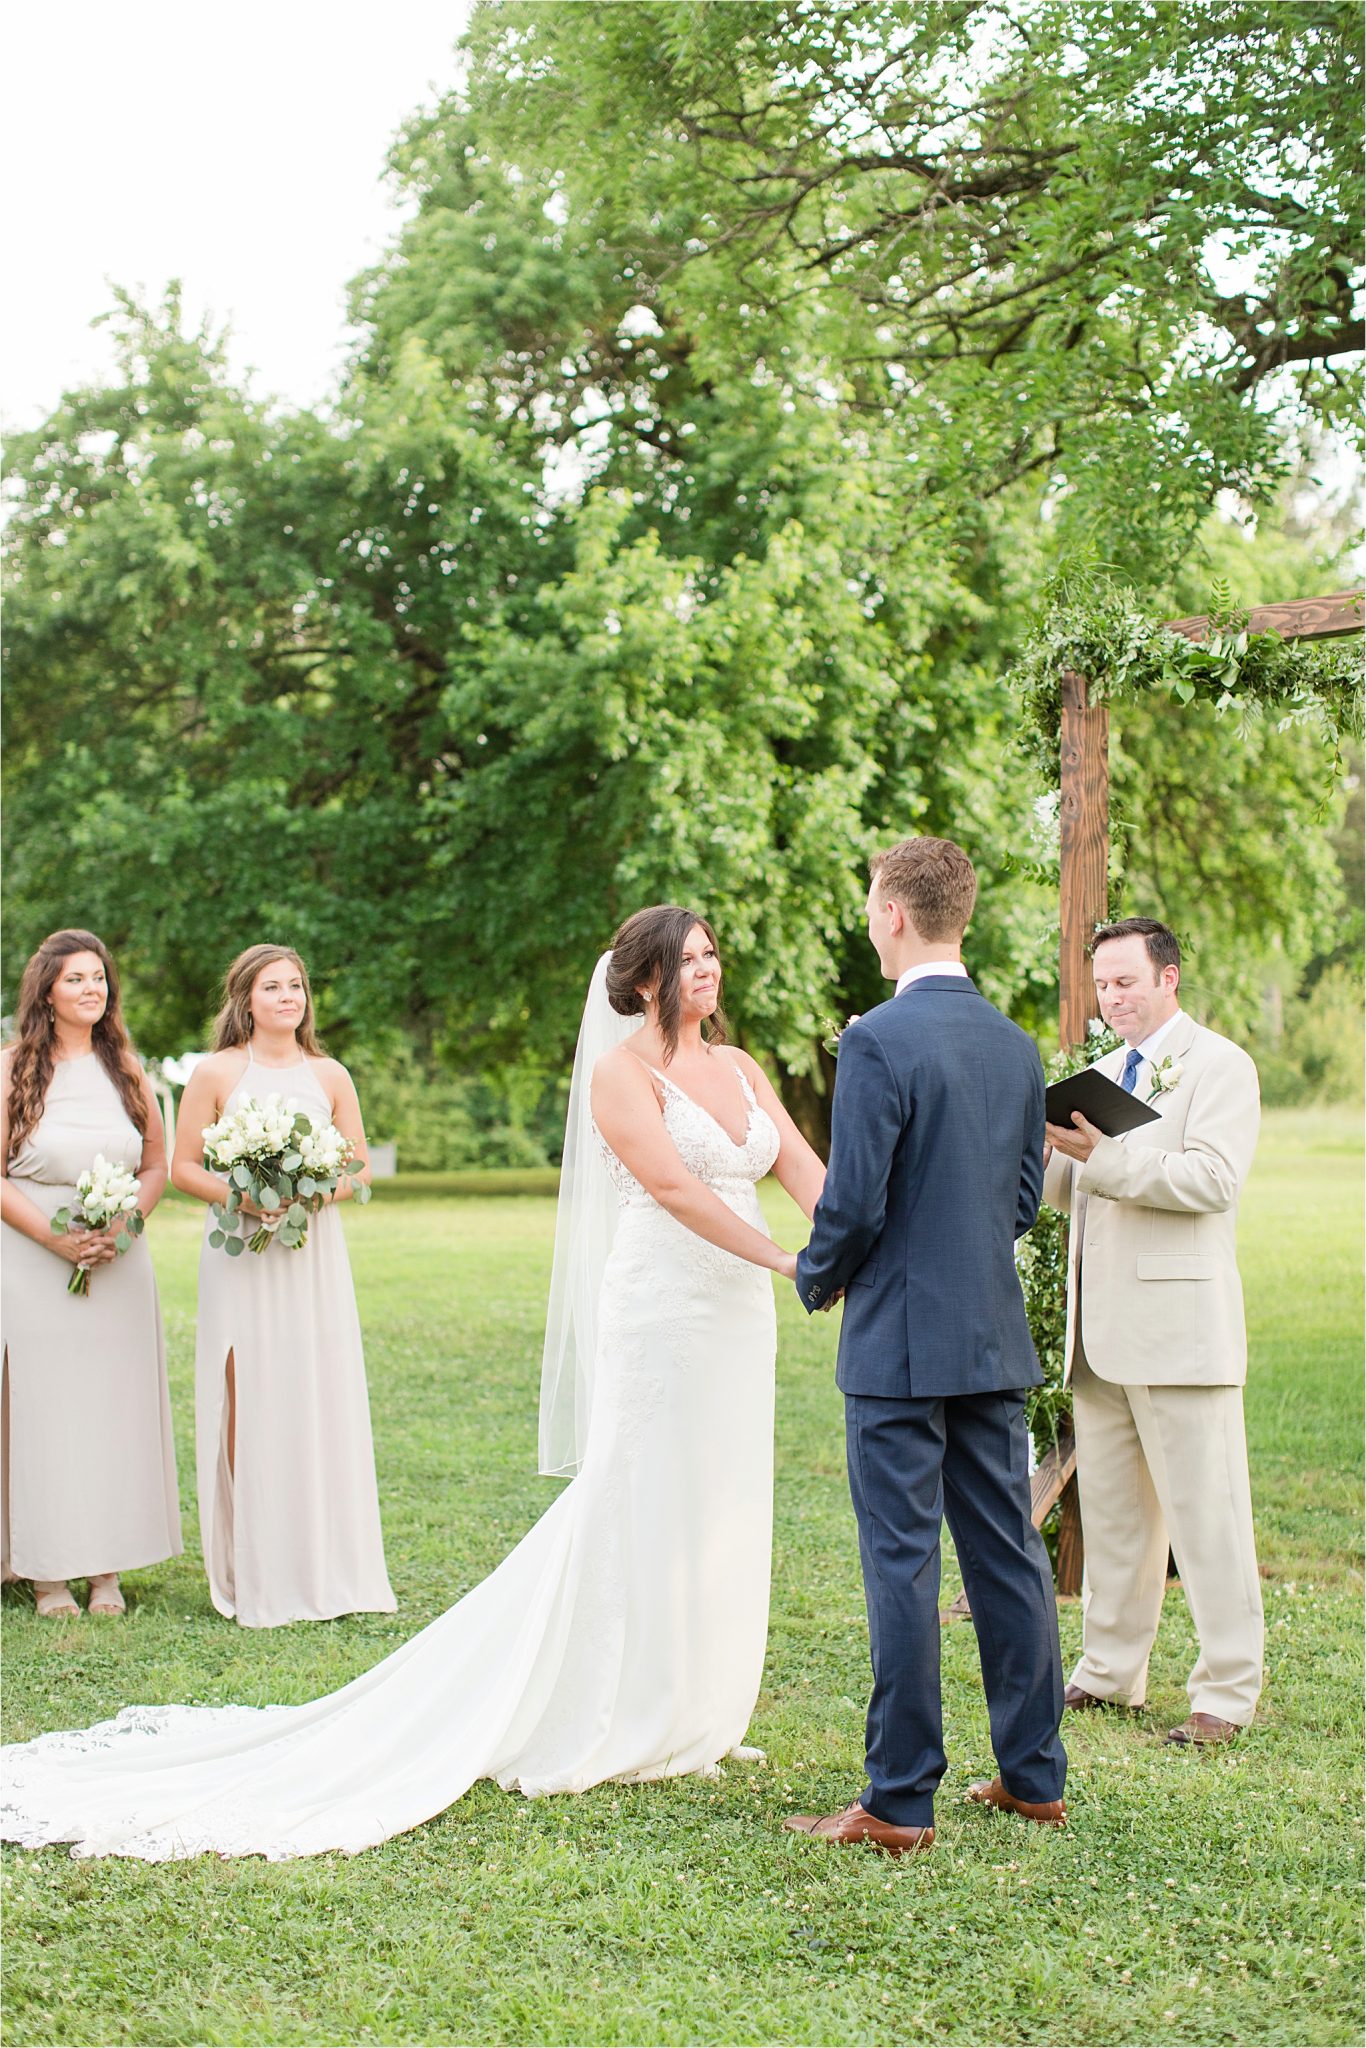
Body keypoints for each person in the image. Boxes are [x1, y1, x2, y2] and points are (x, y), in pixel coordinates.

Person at [0, 906, 824, 1859]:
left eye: (712, 955)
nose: (707, 970)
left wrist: (848, 1237)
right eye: (688, 960)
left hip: (735, 1324)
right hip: (663, 1308)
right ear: (643, 982)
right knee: (635, 1492)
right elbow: (678, 1191)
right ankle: (616, 1701)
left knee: (719, 1501)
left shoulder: (741, 1067)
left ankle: (695, 1706)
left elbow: (802, 1166)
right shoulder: (620, 1073)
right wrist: (786, 1261)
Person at [785, 837, 1067, 1857]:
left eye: (870, 906)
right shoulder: (1014, 1042)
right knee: (1007, 1552)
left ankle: (899, 1800)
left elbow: (853, 1201)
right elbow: (1024, 1201)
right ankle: (1035, 1778)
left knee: (900, 1565)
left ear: (895, 914)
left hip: (899, 1340)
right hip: (991, 1334)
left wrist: (816, 1273)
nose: (869, 922)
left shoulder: (876, 1039)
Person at [1042, 917, 1264, 1746]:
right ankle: (1108, 1672)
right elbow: (1075, 1192)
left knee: (1207, 1517)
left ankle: (1227, 1691)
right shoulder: (1100, 1072)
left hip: (1180, 1331)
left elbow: (1213, 1179)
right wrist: (1053, 1148)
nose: (1113, 998)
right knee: (1116, 1518)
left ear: (1168, 978)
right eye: (1103, 985)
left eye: (1127, 982)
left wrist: (1105, 1159)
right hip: (1100, 1336)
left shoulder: (1220, 1065)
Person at [169, 945, 394, 1629]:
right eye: (273, 986)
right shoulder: (215, 1073)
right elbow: (182, 1168)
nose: (288, 997)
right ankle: (258, 1568)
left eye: (296, 986)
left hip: (312, 1257)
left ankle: (326, 1564)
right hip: (241, 1256)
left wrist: (316, 1193)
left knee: (315, 1394)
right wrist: (242, 1197)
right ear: (245, 998)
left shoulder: (330, 1074)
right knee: (249, 1396)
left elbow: (360, 1167)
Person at [0, 930, 181, 1619]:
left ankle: (105, 1569)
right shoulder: (12, 1068)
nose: (91, 990)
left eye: (99, 978)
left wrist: (124, 1228)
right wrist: (59, 1242)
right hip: (31, 1260)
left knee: (111, 1411)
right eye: (76, 979)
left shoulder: (129, 1071)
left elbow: (156, 1166)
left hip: (119, 1265)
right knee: (45, 1413)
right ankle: (45, 1573)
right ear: (47, 989)